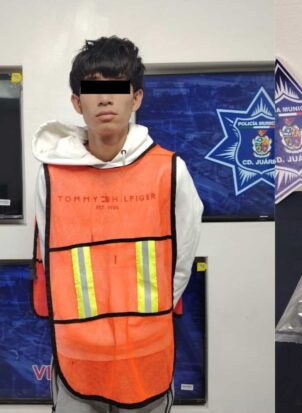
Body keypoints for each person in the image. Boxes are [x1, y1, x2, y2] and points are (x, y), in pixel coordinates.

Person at [31, 35, 203, 412]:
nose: (105, 99)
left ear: (136, 98)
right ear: (77, 102)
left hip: (146, 360)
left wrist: (145, 319)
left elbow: (181, 263)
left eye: (116, 87)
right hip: (76, 363)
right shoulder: (50, 176)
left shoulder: (170, 171)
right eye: (93, 88)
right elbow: (52, 263)